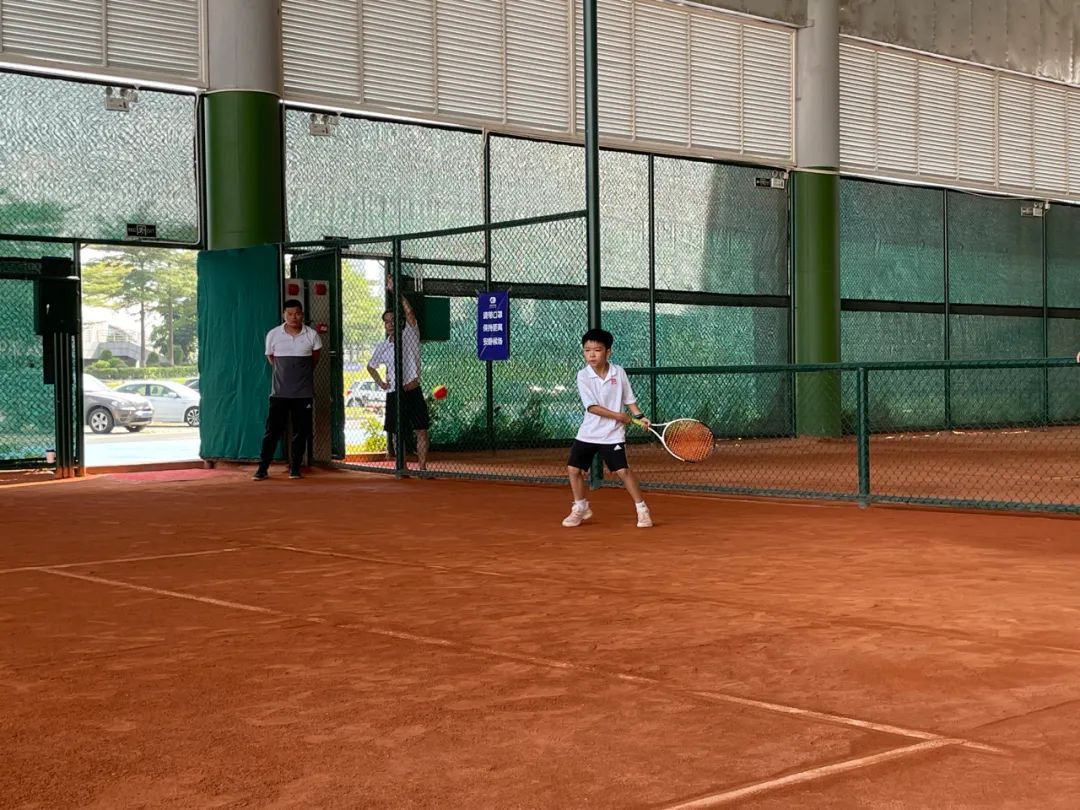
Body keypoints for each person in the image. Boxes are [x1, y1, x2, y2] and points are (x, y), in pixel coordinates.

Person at [563, 328, 653, 528]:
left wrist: (640, 416)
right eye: (587, 350)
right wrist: (619, 416)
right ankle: (580, 507)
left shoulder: (618, 372)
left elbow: (629, 399)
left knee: (622, 471)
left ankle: (642, 510)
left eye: (597, 350)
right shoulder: (583, 375)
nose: (592, 355)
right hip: (588, 432)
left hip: (612, 434)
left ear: (608, 352)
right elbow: (592, 407)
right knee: (573, 469)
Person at [253, 299, 321, 481]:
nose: (293, 317)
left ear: (302, 315)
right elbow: (271, 359)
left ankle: (295, 469)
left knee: (302, 431)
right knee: (272, 432)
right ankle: (262, 469)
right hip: (279, 394)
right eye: (289, 314)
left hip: (303, 394)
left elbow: (315, 359)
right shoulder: (273, 335)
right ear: (284, 315)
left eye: (297, 313)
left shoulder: (312, 335)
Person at [367, 276, 429, 470]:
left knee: (421, 430)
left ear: (400, 321)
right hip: (394, 392)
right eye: (386, 322)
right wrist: (380, 382)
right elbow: (371, 366)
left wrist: (396, 292)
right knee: (397, 432)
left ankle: (422, 467)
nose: (390, 324)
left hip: (412, 390)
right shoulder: (383, 346)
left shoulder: (410, 333)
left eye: (393, 320)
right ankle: (402, 468)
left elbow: (409, 312)